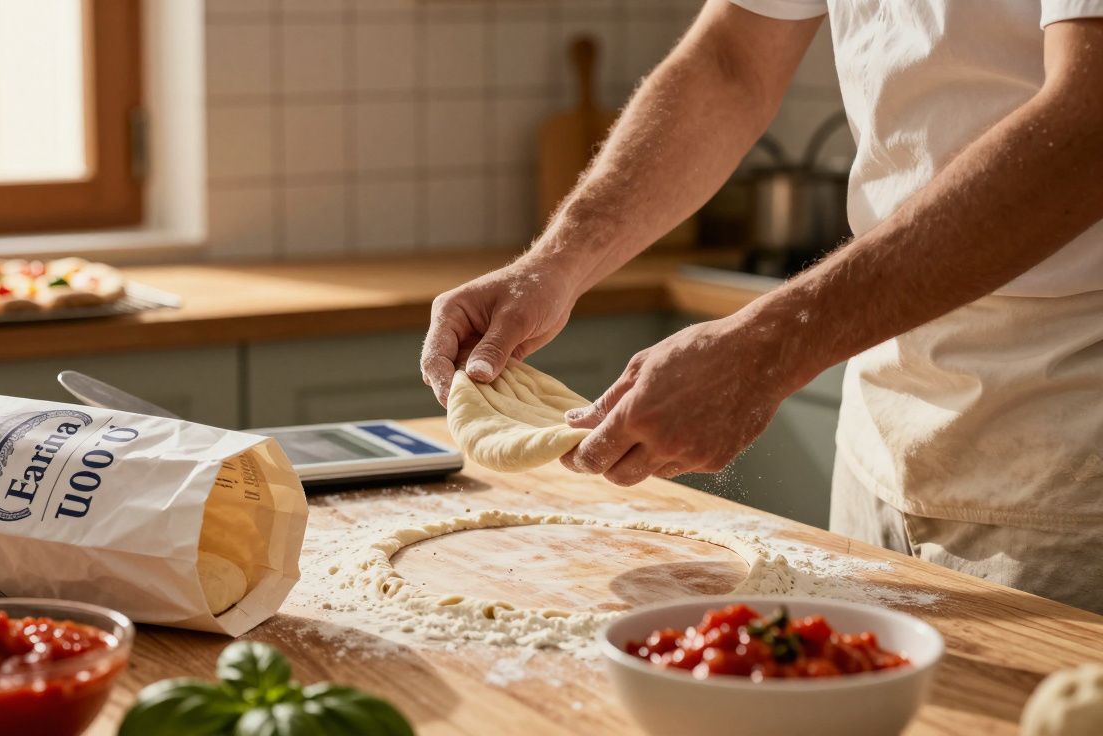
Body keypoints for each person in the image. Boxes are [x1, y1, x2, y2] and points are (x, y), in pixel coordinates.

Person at [420, 0, 1103, 614]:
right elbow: (732, 61)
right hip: (883, 433)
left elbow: (1088, 126)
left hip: (1067, 449)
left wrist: (770, 348)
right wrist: (556, 263)